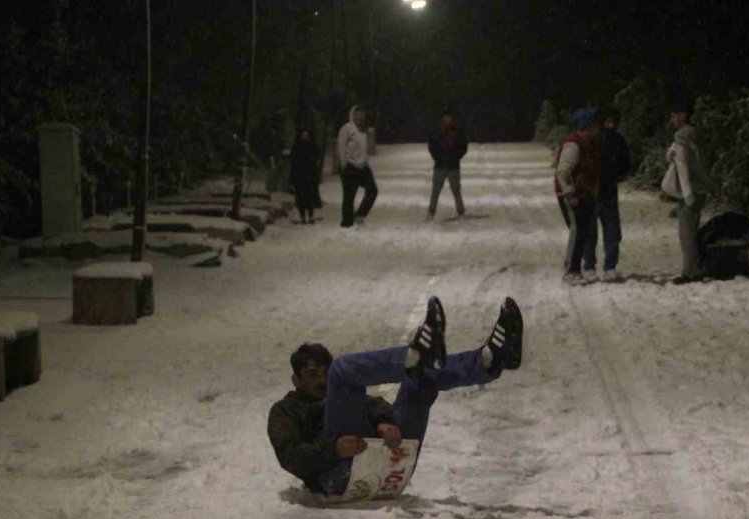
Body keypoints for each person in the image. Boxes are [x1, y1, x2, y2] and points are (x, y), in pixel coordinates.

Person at [267, 295, 524, 496]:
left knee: (421, 381)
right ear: (295, 380)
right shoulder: (285, 410)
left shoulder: (338, 401)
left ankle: (488, 360)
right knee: (343, 370)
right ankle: (412, 359)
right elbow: (290, 455)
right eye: (312, 375)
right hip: (337, 476)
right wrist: (332, 450)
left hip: (389, 467)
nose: (321, 381)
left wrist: (383, 423)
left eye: (323, 374)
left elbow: (375, 405)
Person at [662, 100, 709, 283]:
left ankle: (689, 271)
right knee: (694, 227)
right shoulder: (697, 134)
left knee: (686, 231)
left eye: (674, 115)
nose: (671, 119)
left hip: (691, 190)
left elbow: (682, 166)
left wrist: (687, 194)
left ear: (683, 115)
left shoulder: (681, 136)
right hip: (702, 187)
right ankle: (696, 265)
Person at [555, 108, 602, 285]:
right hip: (573, 195)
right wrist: (570, 193)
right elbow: (563, 171)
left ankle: (574, 268)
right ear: (587, 126)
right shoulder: (574, 145)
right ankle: (571, 270)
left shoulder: (587, 142)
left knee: (581, 232)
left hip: (583, 194)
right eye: (595, 125)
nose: (598, 129)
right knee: (577, 232)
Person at [584, 107, 631, 282]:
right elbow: (626, 165)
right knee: (598, 231)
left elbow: (626, 164)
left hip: (604, 191)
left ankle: (601, 266)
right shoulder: (604, 140)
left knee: (607, 231)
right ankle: (594, 266)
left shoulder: (595, 140)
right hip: (598, 191)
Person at [337, 105, 378, 228]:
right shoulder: (347, 128)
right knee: (349, 196)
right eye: (357, 114)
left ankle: (359, 215)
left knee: (372, 191)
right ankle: (347, 223)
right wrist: (344, 164)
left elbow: (368, 149)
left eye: (362, 114)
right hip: (350, 166)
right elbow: (341, 146)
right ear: (352, 115)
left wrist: (365, 160)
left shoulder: (364, 130)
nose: (360, 116)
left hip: (363, 166)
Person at [426, 111, 469, 221]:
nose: (447, 119)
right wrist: (438, 157)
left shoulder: (458, 130)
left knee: (456, 190)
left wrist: (455, 156)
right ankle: (431, 212)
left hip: (453, 165)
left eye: (449, 117)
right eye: (446, 117)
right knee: (435, 190)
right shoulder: (437, 130)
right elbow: (431, 146)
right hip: (440, 165)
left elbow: (463, 146)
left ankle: (461, 211)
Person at [289, 128, 322, 224]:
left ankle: (311, 216)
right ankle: (302, 216)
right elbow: (293, 162)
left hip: (310, 176)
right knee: (300, 197)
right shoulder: (296, 148)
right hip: (299, 176)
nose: (305, 137)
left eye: (306, 135)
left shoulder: (313, 148)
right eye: (303, 135)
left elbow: (315, 160)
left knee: (310, 197)